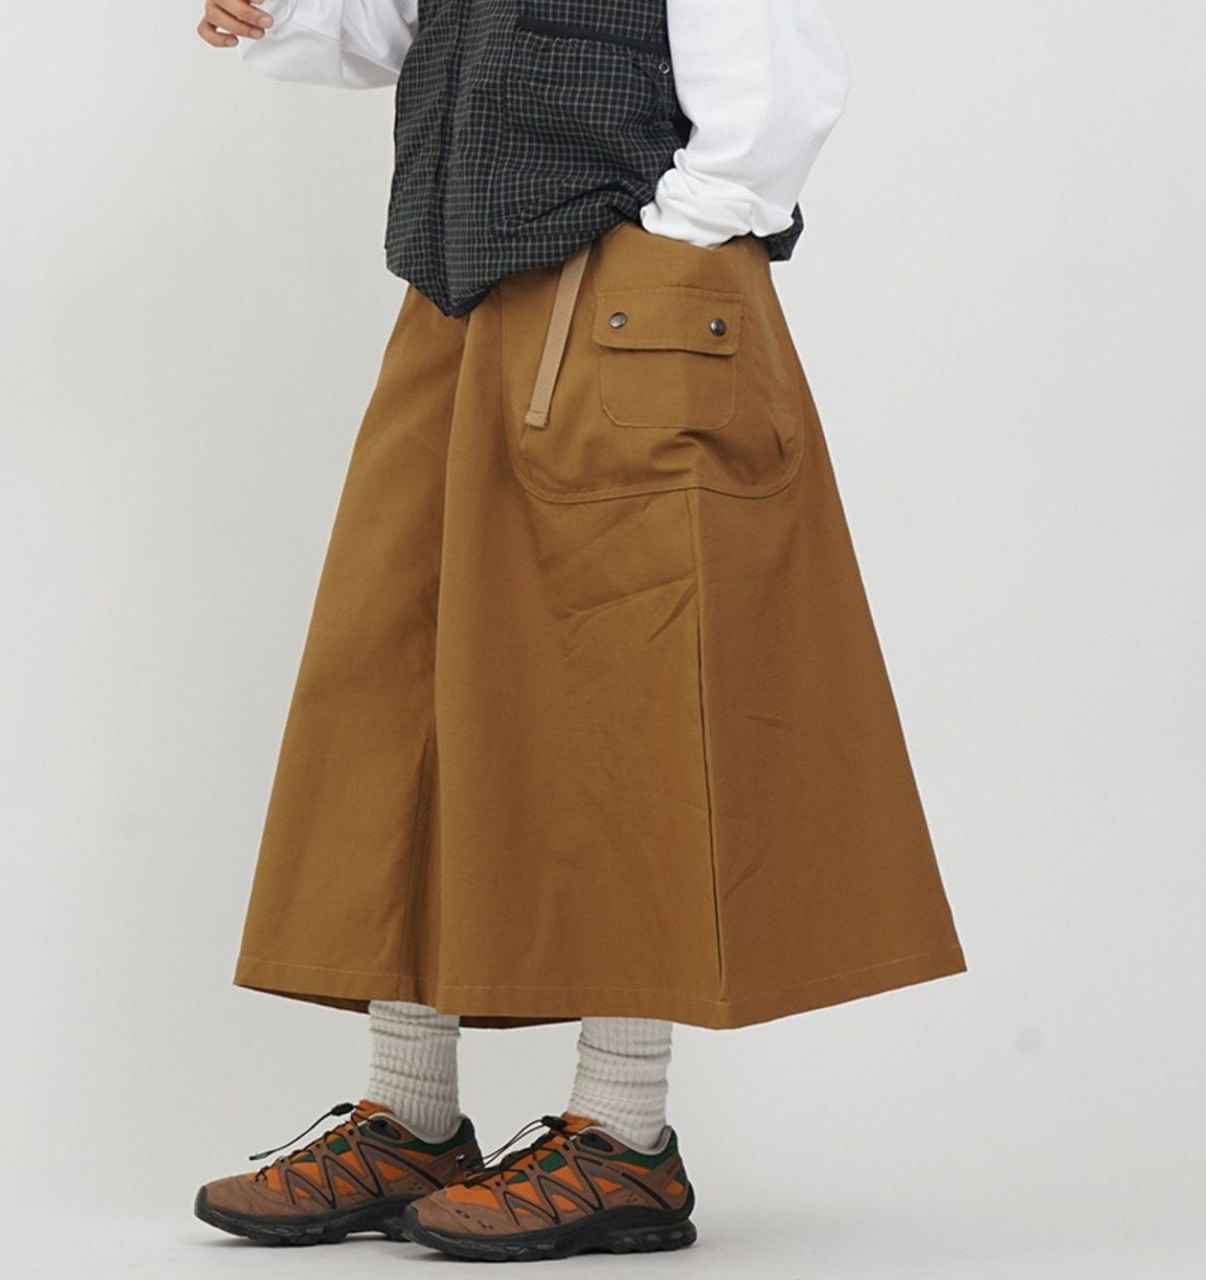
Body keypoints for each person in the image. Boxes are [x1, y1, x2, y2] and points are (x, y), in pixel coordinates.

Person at [192, 0, 967, 1262]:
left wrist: (660, 248)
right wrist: (283, 13)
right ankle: (411, 1112)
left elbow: (773, 97)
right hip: (456, 299)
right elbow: (402, 30)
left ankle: (623, 1135)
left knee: (624, 698)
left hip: (624, 299)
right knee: (403, 676)